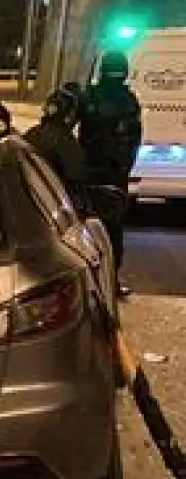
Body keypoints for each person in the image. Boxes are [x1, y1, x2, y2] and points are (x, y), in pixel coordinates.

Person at [78, 51, 144, 296]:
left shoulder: (89, 97)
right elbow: (135, 138)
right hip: (114, 174)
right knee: (113, 230)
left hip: (89, 173)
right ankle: (110, 281)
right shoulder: (129, 100)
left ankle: (90, 283)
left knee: (84, 228)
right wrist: (124, 166)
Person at [25, 83, 91, 211]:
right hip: (52, 210)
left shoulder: (31, 134)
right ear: (70, 116)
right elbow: (75, 182)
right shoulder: (67, 144)